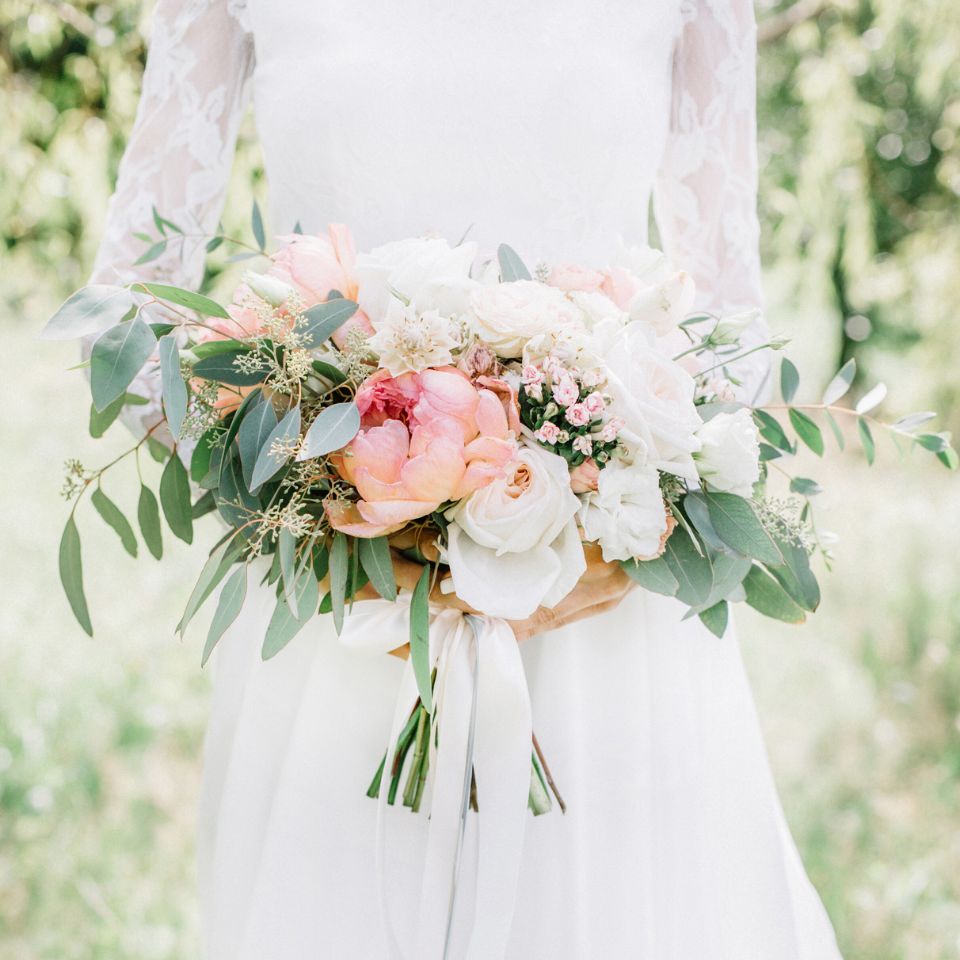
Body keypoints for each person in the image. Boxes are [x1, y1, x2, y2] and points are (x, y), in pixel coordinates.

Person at [90, 0, 842, 956]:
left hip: (606, 606)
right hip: (337, 611)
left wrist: (614, 527)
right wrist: (310, 488)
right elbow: (126, 319)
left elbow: (735, 338)